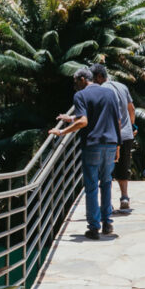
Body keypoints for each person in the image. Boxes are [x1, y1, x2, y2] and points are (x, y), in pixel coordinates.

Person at [50, 67, 121, 239]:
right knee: (106, 183)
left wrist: (62, 132)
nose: (74, 85)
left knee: (91, 187)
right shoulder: (110, 93)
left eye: (75, 81)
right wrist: (118, 146)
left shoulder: (80, 96)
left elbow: (84, 121)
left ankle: (94, 228)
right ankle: (107, 223)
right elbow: (116, 120)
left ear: (83, 79)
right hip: (110, 143)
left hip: (92, 145)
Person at [91, 64, 136, 212]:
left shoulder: (102, 90)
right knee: (123, 166)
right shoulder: (122, 86)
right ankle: (124, 197)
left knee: (106, 171)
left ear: (98, 77)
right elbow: (132, 109)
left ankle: (107, 202)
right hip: (127, 134)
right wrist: (131, 126)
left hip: (110, 135)